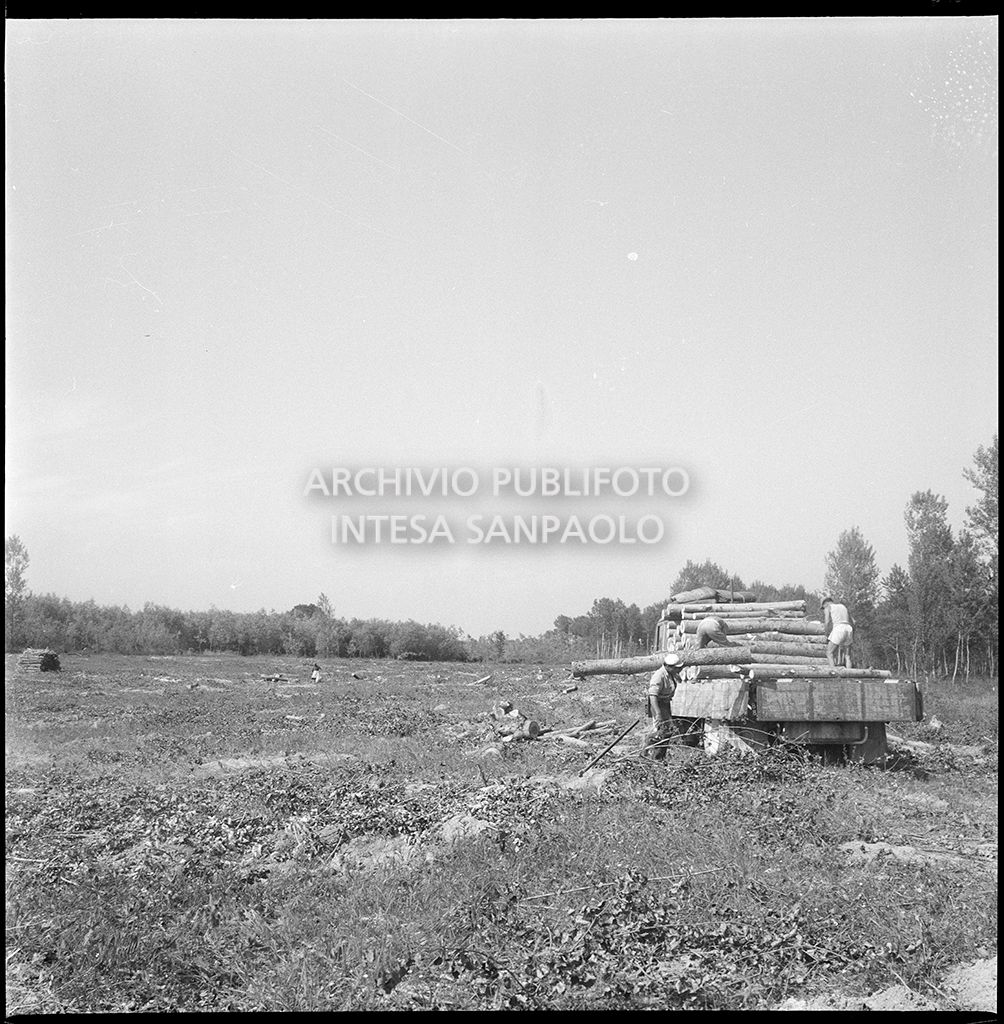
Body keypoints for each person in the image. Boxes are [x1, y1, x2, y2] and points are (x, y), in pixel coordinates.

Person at [646, 652, 684, 760]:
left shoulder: (670, 673)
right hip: (657, 703)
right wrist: (657, 713)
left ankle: (660, 756)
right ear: (668, 666)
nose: (679, 670)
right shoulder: (659, 676)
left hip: (665, 703)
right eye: (677, 668)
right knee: (661, 731)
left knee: (667, 730)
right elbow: (652, 695)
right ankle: (652, 755)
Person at [821, 597, 854, 668]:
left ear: (825, 603)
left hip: (838, 628)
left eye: (823, 607)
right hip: (848, 628)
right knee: (847, 656)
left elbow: (827, 622)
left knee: (829, 653)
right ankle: (850, 674)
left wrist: (826, 633)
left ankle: (833, 673)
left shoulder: (828, 607)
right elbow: (854, 621)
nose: (823, 609)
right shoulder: (843, 606)